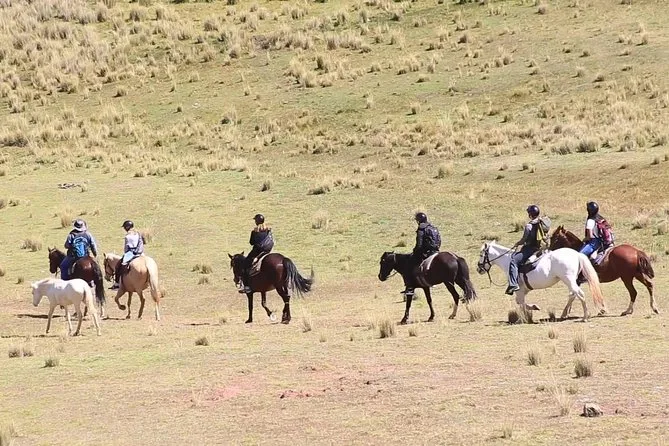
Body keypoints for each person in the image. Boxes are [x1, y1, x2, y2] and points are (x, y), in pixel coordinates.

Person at [401, 212, 441, 299]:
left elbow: (419, 244)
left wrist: (415, 251)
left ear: (419, 220)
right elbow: (439, 240)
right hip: (435, 251)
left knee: (408, 265)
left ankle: (410, 287)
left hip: (426, 253)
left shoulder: (421, 229)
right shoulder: (433, 227)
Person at [507, 205, 543, 295]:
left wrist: (517, 243)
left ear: (530, 215)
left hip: (530, 249)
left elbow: (524, 240)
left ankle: (513, 284)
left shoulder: (529, 226)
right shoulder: (542, 223)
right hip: (540, 247)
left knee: (513, 261)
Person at [239, 214, 274, 294]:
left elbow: (251, 242)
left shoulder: (255, 231)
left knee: (245, 265)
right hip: (267, 251)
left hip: (257, 251)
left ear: (257, 221)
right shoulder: (268, 230)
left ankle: (247, 287)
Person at [111, 220, 144, 290]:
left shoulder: (127, 236)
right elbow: (141, 243)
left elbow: (126, 248)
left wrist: (127, 253)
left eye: (124, 227)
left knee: (119, 266)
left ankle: (117, 283)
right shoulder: (138, 234)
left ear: (127, 227)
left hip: (130, 253)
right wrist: (138, 251)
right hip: (139, 252)